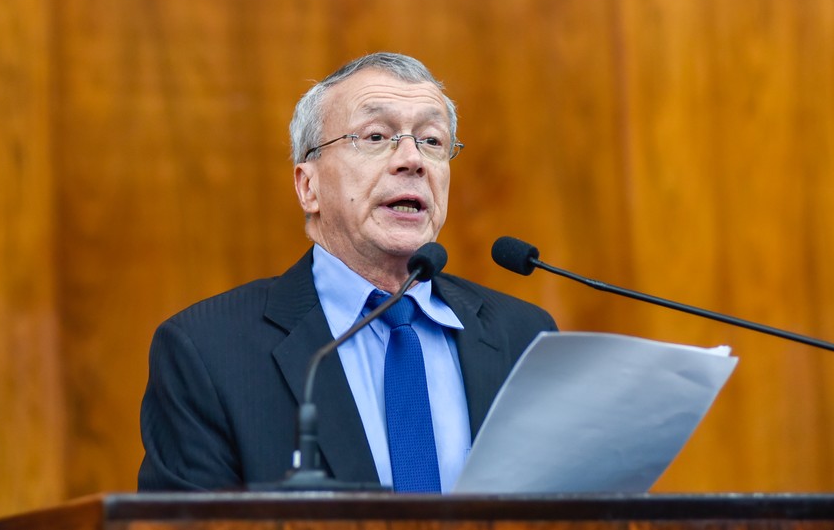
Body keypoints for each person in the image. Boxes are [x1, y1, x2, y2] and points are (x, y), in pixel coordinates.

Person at [137, 52, 557, 492]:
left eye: (432, 141)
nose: (412, 160)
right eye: (376, 136)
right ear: (308, 186)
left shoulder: (525, 339)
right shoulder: (209, 351)